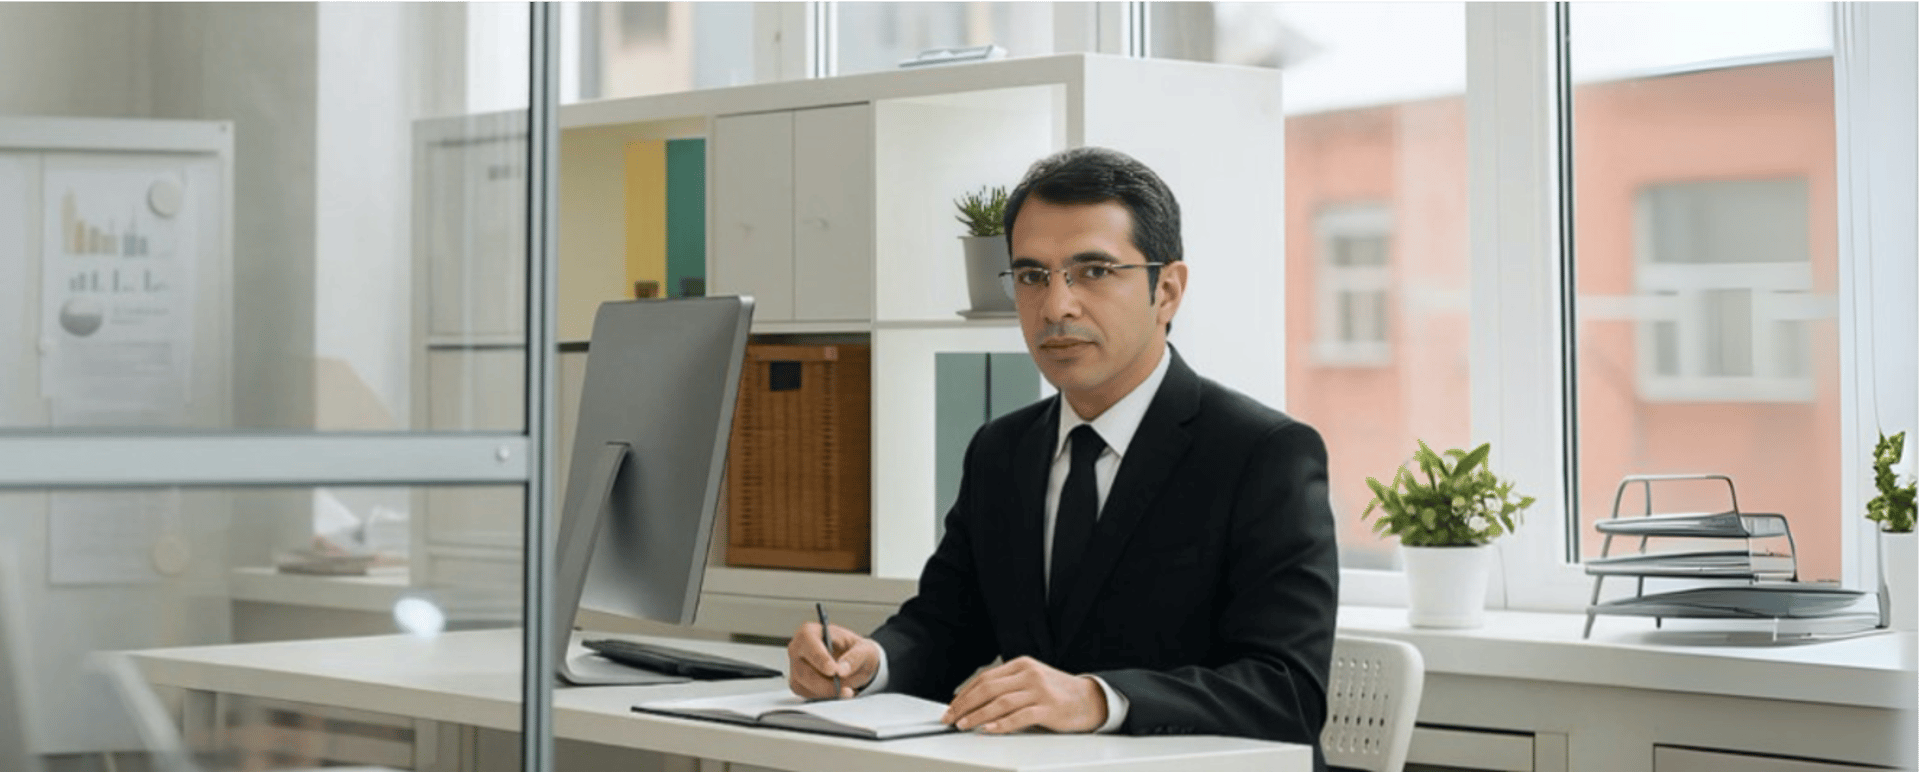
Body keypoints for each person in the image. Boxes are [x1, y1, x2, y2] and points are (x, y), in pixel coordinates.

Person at [787, 146, 1339, 768]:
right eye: (1031, 276)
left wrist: (1098, 700)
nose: (1056, 307)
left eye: (1093, 271)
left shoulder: (1263, 454)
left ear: (1167, 291)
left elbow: (1286, 693)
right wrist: (870, 663)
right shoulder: (1001, 451)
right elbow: (946, 626)